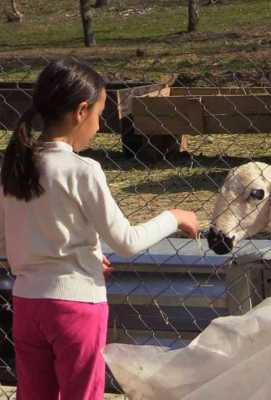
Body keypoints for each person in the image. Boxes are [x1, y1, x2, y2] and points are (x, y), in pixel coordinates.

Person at [0, 58, 199, 400]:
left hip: (28, 304)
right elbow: (126, 241)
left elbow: (7, 244)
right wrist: (174, 216)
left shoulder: (15, 166)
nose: (97, 126)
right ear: (81, 111)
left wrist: (81, 258)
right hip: (76, 307)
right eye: (99, 113)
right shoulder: (82, 170)